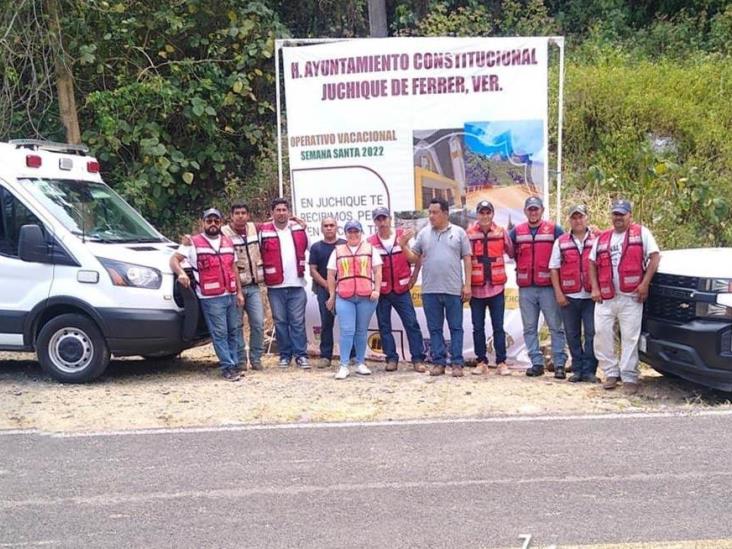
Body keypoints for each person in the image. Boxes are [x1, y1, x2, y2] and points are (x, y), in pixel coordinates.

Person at [589, 199, 660, 395]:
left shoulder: (642, 233)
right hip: (606, 297)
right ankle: (611, 372)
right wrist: (594, 288)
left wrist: (645, 283)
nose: (618, 217)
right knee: (602, 333)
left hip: (631, 297)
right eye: (615, 214)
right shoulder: (603, 238)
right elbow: (592, 263)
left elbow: (655, 257)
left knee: (630, 337)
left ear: (630, 215)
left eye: (622, 214)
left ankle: (629, 376)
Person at [399, 197, 472, 377]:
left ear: (445, 213)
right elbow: (414, 258)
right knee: (435, 328)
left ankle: (457, 363)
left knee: (456, 328)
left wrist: (468, 284)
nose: (431, 216)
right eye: (429, 212)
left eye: (434, 212)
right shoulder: (424, 233)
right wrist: (403, 245)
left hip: (453, 289)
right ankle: (438, 362)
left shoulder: (459, 232)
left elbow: (468, 258)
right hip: (430, 290)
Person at [170, 208, 244, 381]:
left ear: (221, 223)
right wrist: (181, 273)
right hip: (210, 297)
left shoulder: (227, 242)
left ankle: (233, 363)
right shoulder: (192, 242)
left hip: (230, 293)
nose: (212, 224)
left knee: (233, 330)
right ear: (203, 223)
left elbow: (233, 268)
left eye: (216, 221)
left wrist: (239, 292)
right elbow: (174, 260)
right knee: (220, 333)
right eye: (209, 221)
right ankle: (227, 367)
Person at [510, 196, 567, 378]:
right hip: (526, 287)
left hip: (549, 287)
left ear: (542, 210)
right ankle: (536, 363)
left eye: (536, 209)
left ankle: (559, 364)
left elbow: (568, 247)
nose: (533, 212)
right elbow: (506, 248)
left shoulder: (554, 230)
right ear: (525, 211)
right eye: (530, 209)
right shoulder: (517, 231)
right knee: (529, 328)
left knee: (555, 327)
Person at [367, 206, 426, 373]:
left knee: (411, 324)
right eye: (378, 219)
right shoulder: (370, 242)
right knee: (384, 326)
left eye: (384, 218)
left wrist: (414, 276)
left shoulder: (403, 236)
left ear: (390, 219)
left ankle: (417, 359)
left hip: (401, 290)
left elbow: (417, 256)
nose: (382, 222)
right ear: (375, 222)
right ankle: (391, 358)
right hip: (383, 292)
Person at [326, 220, 382, 380]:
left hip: (366, 296)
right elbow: (330, 274)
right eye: (350, 231)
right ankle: (344, 365)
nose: (353, 234)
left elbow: (378, 271)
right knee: (347, 330)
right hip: (344, 296)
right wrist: (332, 294)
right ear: (345, 233)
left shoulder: (370, 249)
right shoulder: (337, 251)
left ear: (361, 232)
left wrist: (377, 290)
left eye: (356, 231)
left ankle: (360, 362)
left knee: (361, 331)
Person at [549, 204, 598, 383]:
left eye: (581, 217)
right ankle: (577, 369)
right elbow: (553, 269)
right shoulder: (561, 241)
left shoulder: (597, 239)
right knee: (572, 334)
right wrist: (559, 294)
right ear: (570, 220)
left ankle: (590, 370)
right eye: (574, 217)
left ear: (586, 218)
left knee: (592, 333)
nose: (578, 220)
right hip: (569, 296)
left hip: (592, 296)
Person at [259, 197, 310, 369]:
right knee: (280, 322)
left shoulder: (299, 229)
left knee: (297, 322)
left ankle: (301, 356)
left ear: (289, 212)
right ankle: (285, 355)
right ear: (272, 212)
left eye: (284, 210)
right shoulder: (263, 231)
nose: (281, 213)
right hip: (275, 286)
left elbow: (310, 248)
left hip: (296, 285)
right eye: (278, 210)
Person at [467, 200, 513, 376]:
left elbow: (511, 251)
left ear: (492, 214)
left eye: (488, 212)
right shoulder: (469, 234)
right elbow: (464, 257)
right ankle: (481, 361)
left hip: (496, 289)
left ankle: (501, 362)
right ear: (477, 215)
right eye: (481, 213)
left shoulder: (501, 232)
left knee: (498, 326)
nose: (485, 216)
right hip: (476, 290)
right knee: (477, 327)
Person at [221, 201, 265, 371]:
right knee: (236, 325)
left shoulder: (255, 228)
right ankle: (240, 360)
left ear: (248, 215)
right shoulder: (223, 232)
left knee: (258, 323)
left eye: (243, 213)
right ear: (231, 216)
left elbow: (277, 224)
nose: (240, 216)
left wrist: (295, 220)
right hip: (233, 288)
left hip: (253, 286)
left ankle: (256, 358)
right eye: (237, 213)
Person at [309, 217, 346, 368]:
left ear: (337, 227)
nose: (329, 228)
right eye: (326, 226)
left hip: (345, 290)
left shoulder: (344, 244)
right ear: (321, 228)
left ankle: (351, 355)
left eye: (332, 225)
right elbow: (313, 270)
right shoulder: (316, 247)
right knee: (326, 323)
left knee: (347, 324)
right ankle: (326, 356)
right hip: (323, 290)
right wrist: (327, 285)